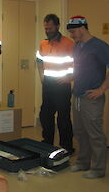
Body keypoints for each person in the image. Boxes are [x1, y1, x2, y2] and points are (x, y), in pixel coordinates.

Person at [67, 15, 109, 179]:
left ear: (83, 28)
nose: (72, 35)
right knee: (80, 131)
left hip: (92, 97)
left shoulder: (100, 46)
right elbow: (79, 67)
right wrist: (70, 78)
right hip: (77, 95)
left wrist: (101, 89)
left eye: (73, 31)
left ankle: (98, 169)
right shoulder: (78, 46)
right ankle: (83, 162)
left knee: (95, 134)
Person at [36, 14, 74, 153]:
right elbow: (39, 61)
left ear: (57, 26)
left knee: (63, 118)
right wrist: (42, 77)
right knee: (46, 115)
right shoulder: (43, 43)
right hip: (48, 84)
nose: (47, 30)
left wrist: (69, 78)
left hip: (62, 85)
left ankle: (66, 147)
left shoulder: (69, 43)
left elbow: (77, 65)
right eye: (46, 28)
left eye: (50, 28)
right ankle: (47, 143)